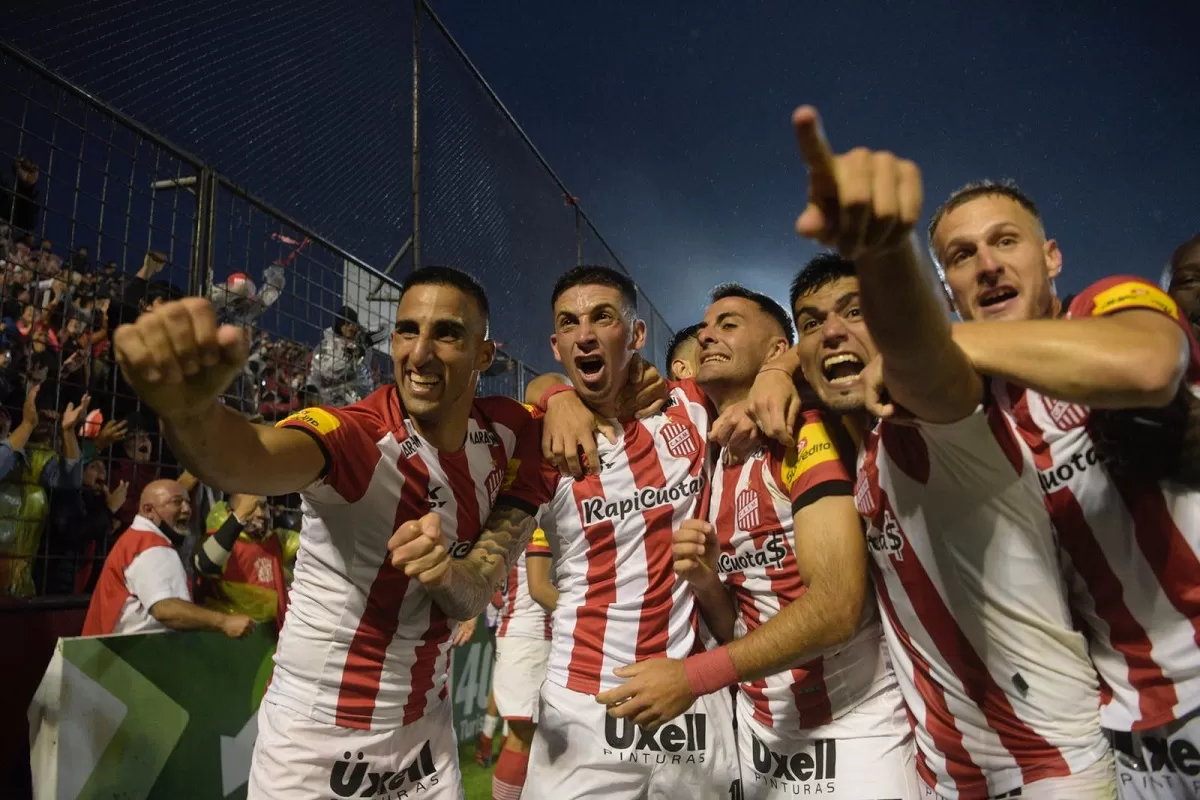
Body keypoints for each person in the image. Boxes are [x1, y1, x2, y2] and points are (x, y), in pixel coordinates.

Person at [744, 107, 1115, 797]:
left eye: (857, 311)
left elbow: (921, 354)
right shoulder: (849, 452)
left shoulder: (935, 417)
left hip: (1045, 773)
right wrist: (773, 369)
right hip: (944, 778)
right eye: (812, 326)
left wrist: (884, 251)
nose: (831, 335)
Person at [111, 265, 587, 800]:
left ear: (484, 354)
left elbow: (475, 583)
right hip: (316, 740)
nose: (420, 353)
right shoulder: (356, 435)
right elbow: (243, 457)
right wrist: (191, 414)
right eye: (407, 330)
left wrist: (560, 394)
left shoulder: (504, 432)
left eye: (447, 333)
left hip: (425, 734)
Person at [390, 265, 742, 799]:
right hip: (583, 711)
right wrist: (445, 575)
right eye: (569, 324)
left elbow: (779, 361)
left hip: (691, 705)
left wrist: (781, 377)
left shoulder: (692, 405)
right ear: (556, 346)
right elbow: (476, 587)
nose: (586, 334)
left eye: (603, 317)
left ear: (637, 334)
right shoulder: (539, 446)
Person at [923, 182, 1199, 799]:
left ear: (1051, 258)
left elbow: (1148, 364)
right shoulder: (968, 410)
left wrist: (942, 339)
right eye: (963, 256)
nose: (988, 264)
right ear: (949, 290)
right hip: (1123, 725)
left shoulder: (1102, 306)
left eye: (1005, 241)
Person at [598, 283, 918, 799]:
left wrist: (691, 678)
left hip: (852, 735)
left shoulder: (803, 430)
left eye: (728, 324)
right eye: (704, 328)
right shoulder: (716, 456)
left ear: (776, 350)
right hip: (763, 740)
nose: (707, 336)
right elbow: (739, 625)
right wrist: (706, 582)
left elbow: (837, 607)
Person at [81, 478, 255, 638]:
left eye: (187, 502)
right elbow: (165, 609)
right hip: (120, 660)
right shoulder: (150, 546)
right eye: (177, 502)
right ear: (149, 510)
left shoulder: (137, 540)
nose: (187, 509)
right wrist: (224, 622)